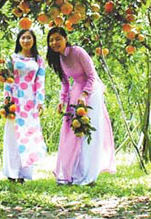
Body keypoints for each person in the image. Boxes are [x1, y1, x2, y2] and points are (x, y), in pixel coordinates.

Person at [47, 27, 116, 185]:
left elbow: (92, 75)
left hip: (92, 90)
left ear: (65, 38)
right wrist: (62, 100)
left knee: (87, 130)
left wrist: (85, 95)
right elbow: (65, 83)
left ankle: (88, 174)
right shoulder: (58, 58)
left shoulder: (78, 52)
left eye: (58, 38)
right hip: (76, 89)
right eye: (51, 40)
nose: (54, 43)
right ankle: (72, 172)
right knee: (73, 130)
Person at [3, 29, 47, 182]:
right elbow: (7, 80)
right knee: (13, 136)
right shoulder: (12, 58)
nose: (26, 40)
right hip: (15, 100)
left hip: (31, 102)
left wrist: (40, 102)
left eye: (29, 38)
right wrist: (7, 99)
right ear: (19, 40)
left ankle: (24, 174)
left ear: (33, 40)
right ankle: (12, 172)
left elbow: (40, 81)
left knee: (29, 136)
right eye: (23, 37)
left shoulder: (38, 60)